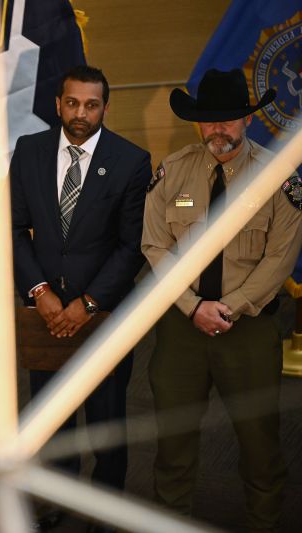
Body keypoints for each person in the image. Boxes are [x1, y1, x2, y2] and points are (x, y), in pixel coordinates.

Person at [142, 67, 302, 531]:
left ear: (247, 119)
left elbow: (280, 259)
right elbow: (154, 246)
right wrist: (193, 306)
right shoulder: (173, 170)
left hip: (248, 329)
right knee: (173, 442)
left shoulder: (278, 178)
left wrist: (227, 308)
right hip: (181, 328)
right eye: (209, 120)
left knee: (259, 443)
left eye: (228, 119)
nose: (218, 129)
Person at [10, 65, 151, 528]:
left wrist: (88, 303)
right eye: (72, 103)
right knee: (52, 420)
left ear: (105, 108)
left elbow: (131, 246)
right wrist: (39, 291)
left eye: (91, 105)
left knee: (106, 421)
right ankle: (56, 502)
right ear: (58, 104)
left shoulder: (131, 160)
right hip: (45, 315)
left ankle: (104, 510)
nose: (80, 114)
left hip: (103, 316)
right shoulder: (28, 151)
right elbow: (13, 229)